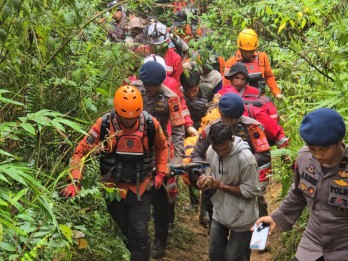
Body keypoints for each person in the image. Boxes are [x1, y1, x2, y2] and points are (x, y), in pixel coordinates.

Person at [61, 86, 168, 261]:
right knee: (123, 229)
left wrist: (160, 173)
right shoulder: (103, 124)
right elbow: (80, 152)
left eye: (133, 118)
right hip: (112, 187)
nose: (129, 121)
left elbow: (162, 147)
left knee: (139, 230)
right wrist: (74, 182)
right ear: (117, 112)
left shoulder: (150, 124)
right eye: (125, 118)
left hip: (141, 186)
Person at [254, 108, 348, 261]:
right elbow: (298, 194)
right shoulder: (304, 158)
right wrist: (276, 218)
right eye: (313, 149)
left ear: (339, 141)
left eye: (324, 149)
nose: (318, 155)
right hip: (313, 244)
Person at [191, 93, 271, 227]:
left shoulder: (253, 127)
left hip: (248, 169)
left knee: (258, 199)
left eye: (235, 118)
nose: (231, 122)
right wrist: (203, 174)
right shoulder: (211, 128)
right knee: (211, 190)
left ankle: (260, 237)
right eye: (228, 118)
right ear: (220, 112)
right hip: (220, 170)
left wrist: (241, 165)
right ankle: (213, 226)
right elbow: (197, 154)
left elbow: (264, 154)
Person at [135, 61, 185, 259]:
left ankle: (160, 241)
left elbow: (179, 128)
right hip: (134, 148)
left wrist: (178, 157)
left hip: (159, 150)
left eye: (153, 86)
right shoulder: (132, 90)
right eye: (146, 84)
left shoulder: (170, 98)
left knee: (160, 199)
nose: (149, 89)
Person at [197, 122, 260, 261]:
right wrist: (206, 179)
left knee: (232, 257)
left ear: (231, 139)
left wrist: (219, 186)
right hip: (220, 211)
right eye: (216, 148)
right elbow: (212, 170)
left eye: (224, 149)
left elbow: (251, 191)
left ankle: (255, 247)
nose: (220, 153)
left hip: (243, 216)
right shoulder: (211, 150)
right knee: (214, 252)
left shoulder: (246, 159)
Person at [224, 29, 285, 99]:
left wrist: (276, 92)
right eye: (245, 51)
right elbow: (226, 86)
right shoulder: (231, 63)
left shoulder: (262, 58)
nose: (247, 54)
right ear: (239, 48)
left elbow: (269, 76)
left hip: (259, 97)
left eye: (250, 51)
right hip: (239, 99)